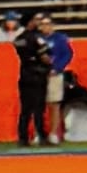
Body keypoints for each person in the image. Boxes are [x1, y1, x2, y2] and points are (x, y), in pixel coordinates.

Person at [13, 9, 55, 145]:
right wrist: (50, 63)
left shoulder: (19, 39)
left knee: (25, 109)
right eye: (36, 20)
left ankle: (23, 137)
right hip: (37, 74)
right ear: (30, 22)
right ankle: (41, 135)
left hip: (25, 74)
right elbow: (44, 56)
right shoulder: (37, 37)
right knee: (38, 108)